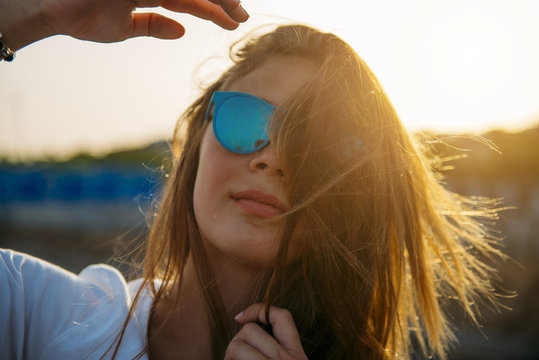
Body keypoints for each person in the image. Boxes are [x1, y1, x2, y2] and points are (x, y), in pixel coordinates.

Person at [0, 0, 506, 359]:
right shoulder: (30, 314)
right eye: (245, 120)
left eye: (316, 143)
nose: (274, 160)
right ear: (196, 141)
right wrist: (32, 12)